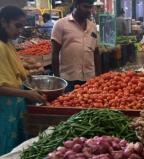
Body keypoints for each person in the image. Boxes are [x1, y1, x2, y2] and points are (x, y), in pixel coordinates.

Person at [0, 6, 45, 155]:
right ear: (3, 22)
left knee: (18, 147)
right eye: (17, 25)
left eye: (22, 26)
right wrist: (28, 94)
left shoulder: (7, 43)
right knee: (7, 146)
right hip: (4, 107)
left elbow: (14, 73)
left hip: (15, 104)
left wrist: (28, 88)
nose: (20, 30)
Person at [51, 0, 98, 92]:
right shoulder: (61, 24)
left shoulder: (92, 26)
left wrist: (99, 76)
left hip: (89, 78)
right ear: (76, 5)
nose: (89, 10)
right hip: (68, 79)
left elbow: (96, 52)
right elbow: (55, 53)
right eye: (85, 7)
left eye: (90, 7)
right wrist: (57, 79)